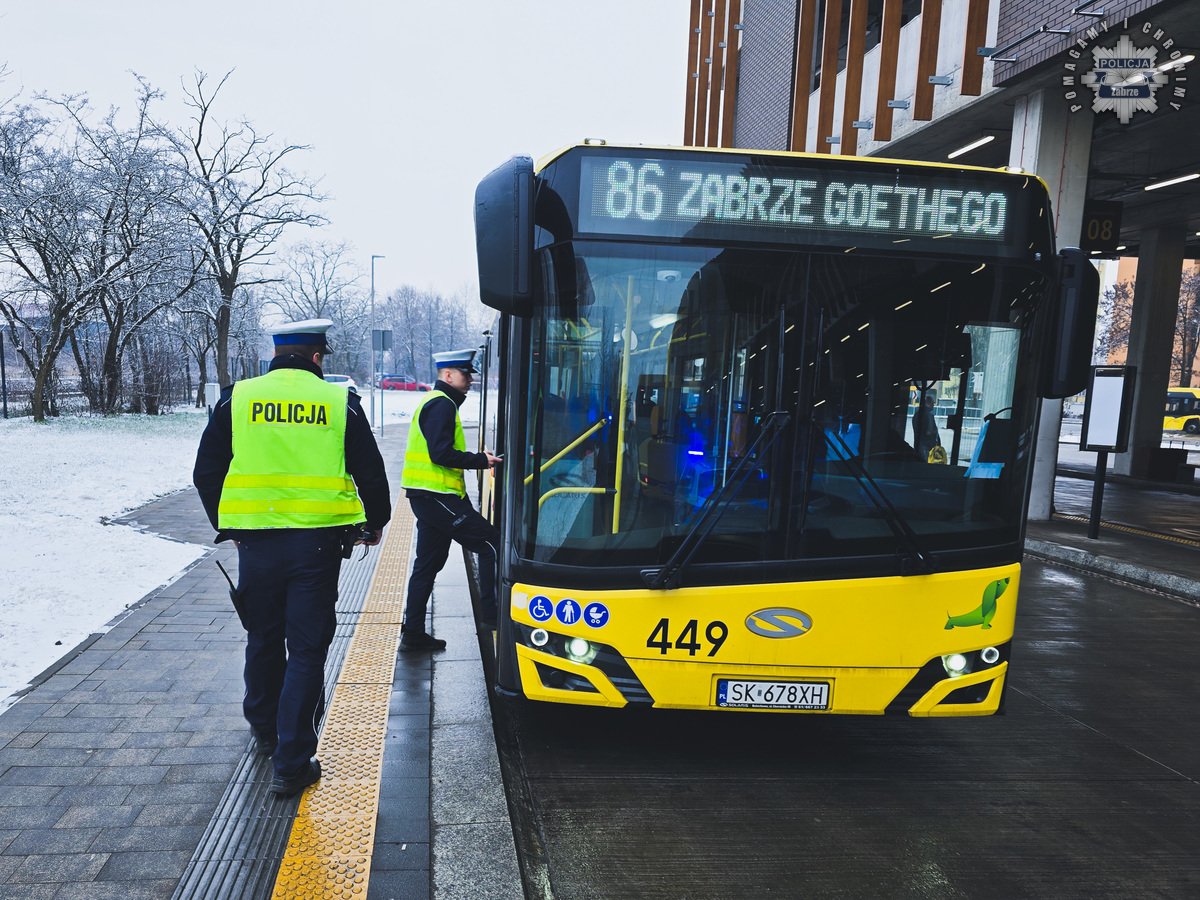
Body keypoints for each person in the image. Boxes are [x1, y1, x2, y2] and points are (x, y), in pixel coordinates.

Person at [192, 319, 391, 798]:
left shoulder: (237, 399)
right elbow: (369, 468)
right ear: (318, 357)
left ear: (278, 353)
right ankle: (293, 762)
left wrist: (232, 526)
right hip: (316, 548)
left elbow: (206, 471)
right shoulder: (338, 403)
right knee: (305, 648)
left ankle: (263, 728)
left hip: (256, 546)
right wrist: (375, 522)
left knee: (262, 634)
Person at [400, 348, 502, 650]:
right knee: (491, 545)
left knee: (428, 565)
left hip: (432, 497)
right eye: (465, 374)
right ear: (447, 375)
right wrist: (481, 461)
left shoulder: (439, 403)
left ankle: (414, 634)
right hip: (436, 497)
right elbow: (441, 453)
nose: (470, 380)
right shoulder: (441, 404)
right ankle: (493, 617)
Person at [913, 388, 942, 463]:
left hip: (919, 445)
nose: (933, 406)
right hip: (928, 446)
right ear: (928, 404)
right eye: (932, 404)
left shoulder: (917, 415)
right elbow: (929, 431)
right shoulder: (929, 415)